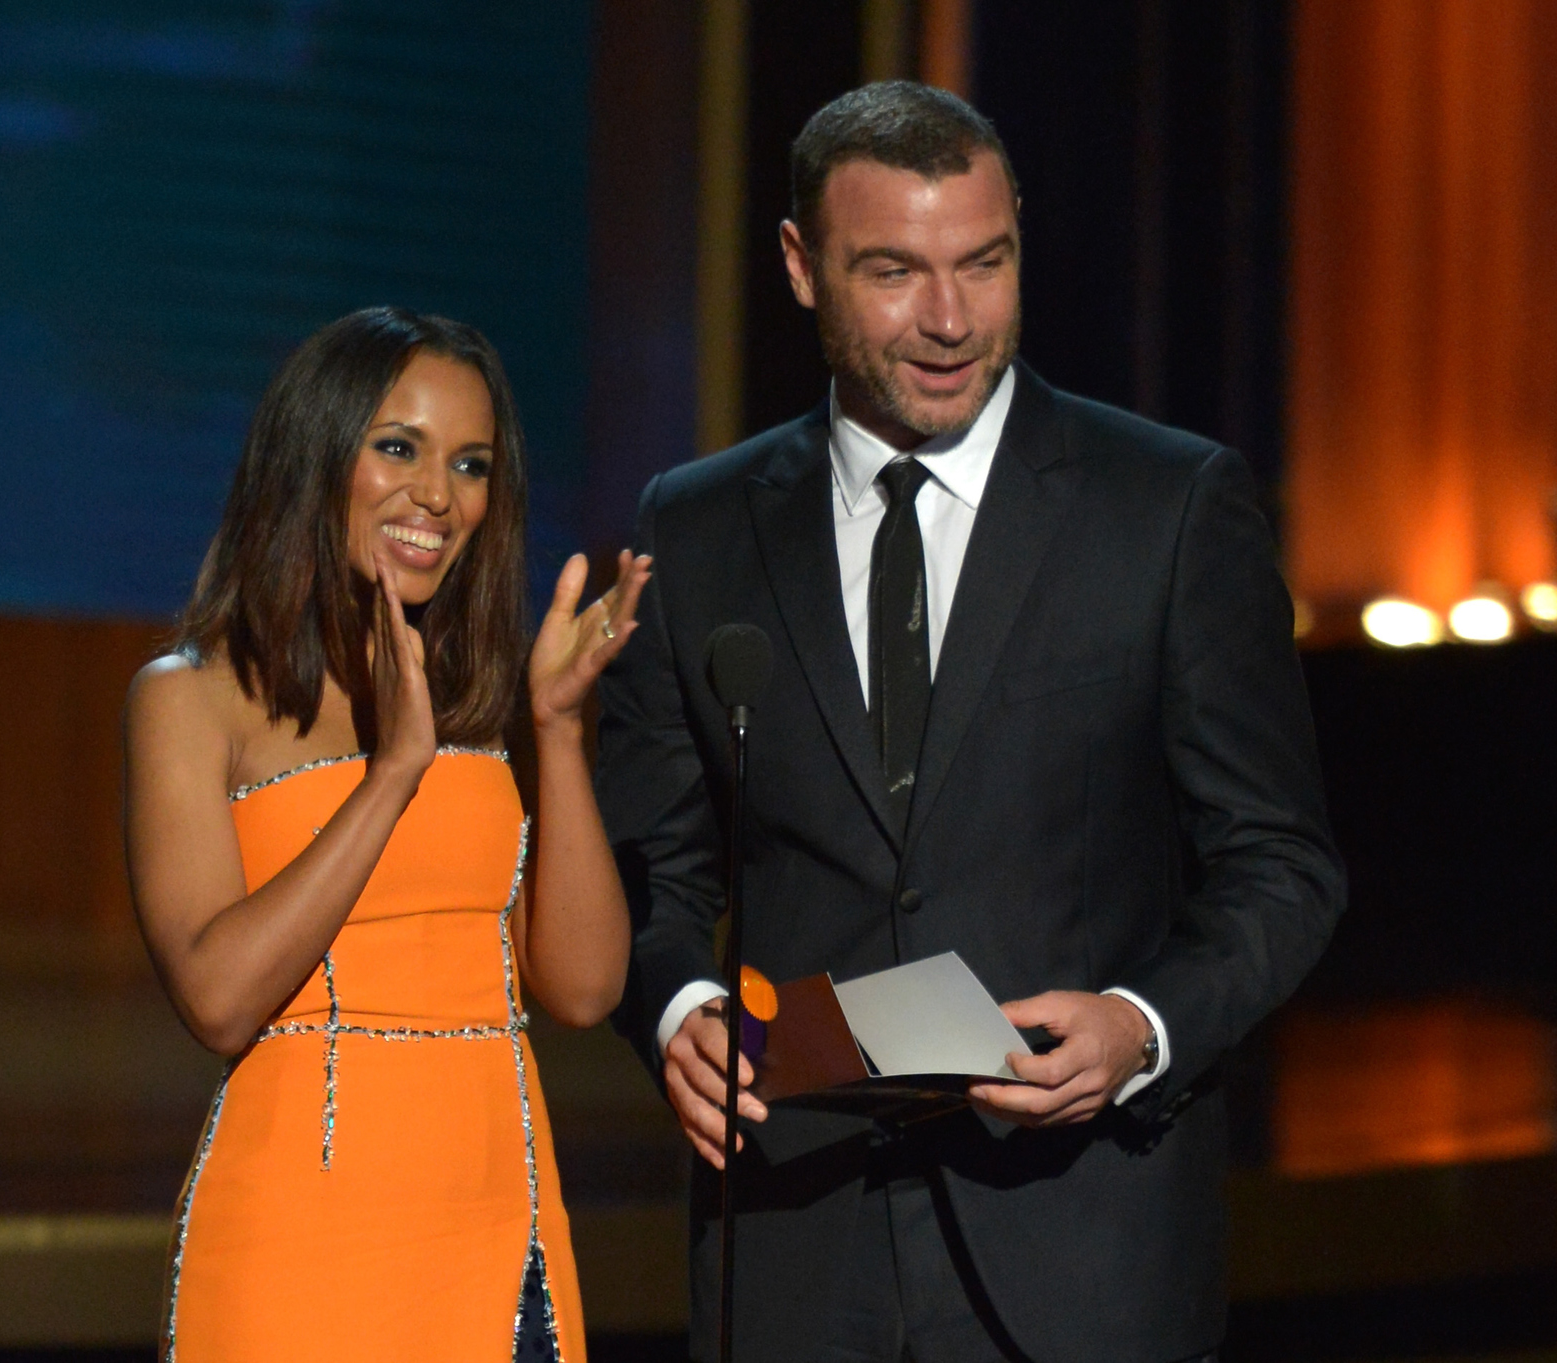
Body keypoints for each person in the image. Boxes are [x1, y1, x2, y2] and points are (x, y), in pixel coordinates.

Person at [597, 83, 1346, 1363]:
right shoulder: (699, 526)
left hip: (1083, 1246)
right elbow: (647, 872)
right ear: (798, 265)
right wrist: (677, 1010)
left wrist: (1139, 1025)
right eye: (892, 271)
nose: (948, 321)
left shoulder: (1164, 508)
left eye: (981, 265)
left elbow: (1280, 866)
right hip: (791, 1248)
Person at [127, 306, 648, 1362]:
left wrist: (552, 727)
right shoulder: (193, 696)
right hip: (301, 1233)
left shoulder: (480, 695)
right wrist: (390, 776)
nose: (436, 497)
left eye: (469, 465)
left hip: (493, 1214)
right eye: (397, 448)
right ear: (316, 453)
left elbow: (585, 989)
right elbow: (218, 1000)